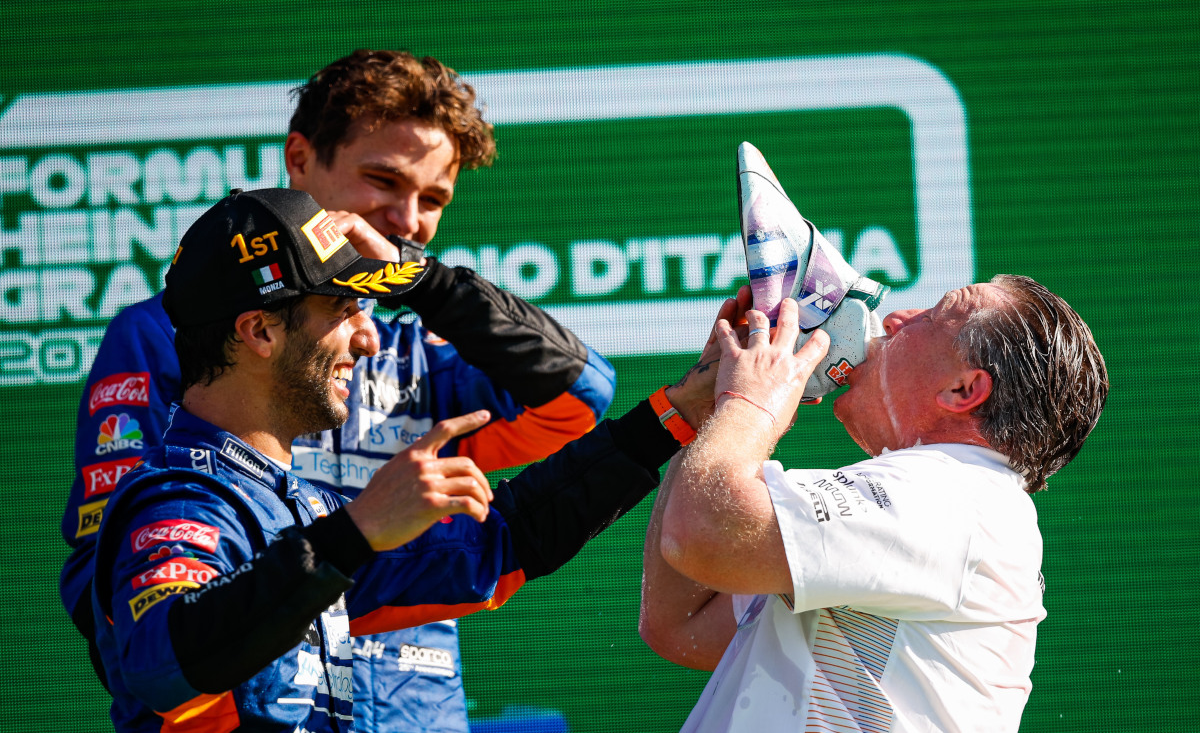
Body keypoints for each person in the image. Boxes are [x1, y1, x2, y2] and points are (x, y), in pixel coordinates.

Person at [61, 50, 615, 733]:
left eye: (434, 199)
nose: (407, 219)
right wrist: (321, 579)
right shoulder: (169, 333)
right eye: (382, 179)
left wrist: (422, 282)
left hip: (419, 713)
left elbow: (580, 399)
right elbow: (113, 584)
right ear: (300, 160)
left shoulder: (414, 351)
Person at [92, 187, 713, 733]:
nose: (367, 338)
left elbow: (502, 543)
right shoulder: (183, 499)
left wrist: (675, 412)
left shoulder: (298, 505)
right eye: (342, 311)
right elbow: (165, 659)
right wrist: (355, 534)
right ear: (259, 331)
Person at [639, 276, 1108, 732]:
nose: (895, 319)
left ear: (964, 390)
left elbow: (703, 534)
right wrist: (712, 419)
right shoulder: (964, 502)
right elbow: (681, 625)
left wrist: (750, 402)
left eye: (931, 315)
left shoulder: (951, 496)